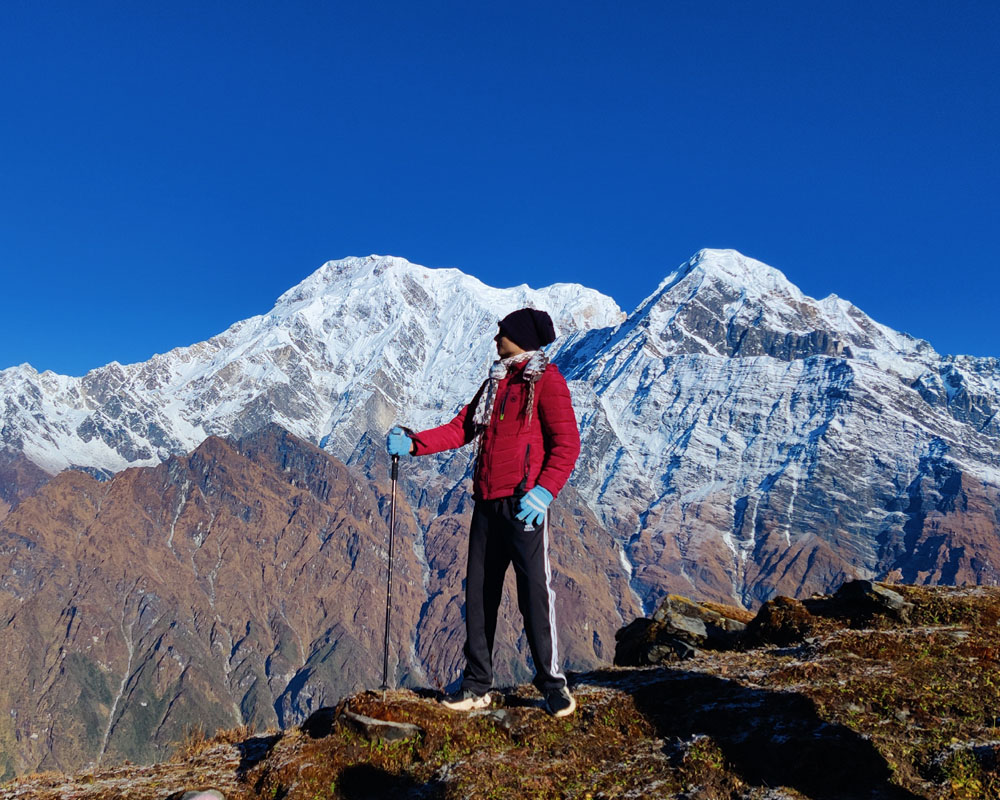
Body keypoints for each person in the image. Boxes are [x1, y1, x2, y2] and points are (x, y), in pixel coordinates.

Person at [387, 307, 581, 717]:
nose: (496, 338)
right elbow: (462, 428)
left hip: (525, 505)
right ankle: (476, 684)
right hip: (487, 503)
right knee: (478, 593)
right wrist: (415, 442)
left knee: (534, 596)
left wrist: (544, 492)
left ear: (521, 337)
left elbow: (567, 445)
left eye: (503, 332)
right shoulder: (495, 384)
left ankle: (552, 685)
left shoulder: (547, 382)